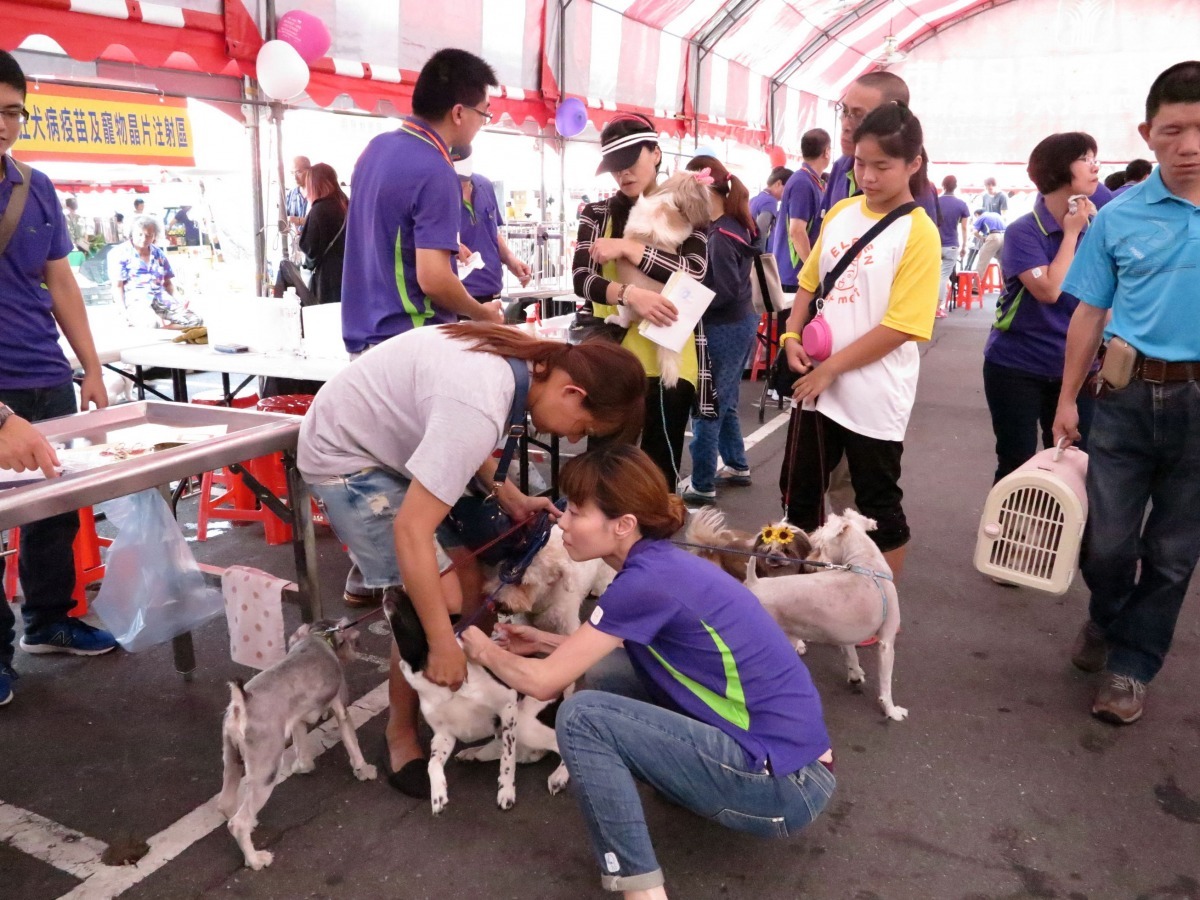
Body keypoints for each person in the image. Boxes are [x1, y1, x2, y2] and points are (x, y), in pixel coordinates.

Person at [459, 444, 835, 899]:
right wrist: (542, 641)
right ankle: (689, 783)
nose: (561, 519)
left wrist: (476, 645)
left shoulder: (641, 584)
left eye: (576, 511)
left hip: (782, 787)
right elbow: (624, 652)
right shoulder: (660, 564)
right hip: (794, 763)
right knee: (607, 673)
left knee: (583, 716)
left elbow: (543, 682)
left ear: (623, 525)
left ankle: (642, 890)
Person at [297, 322, 646, 795]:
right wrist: (441, 643)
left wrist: (511, 495)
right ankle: (399, 732)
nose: (574, 437)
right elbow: (411, 529)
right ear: (571, 392)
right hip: (347, 457)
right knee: (430, 596)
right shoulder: (482, 398)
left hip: (392, 450)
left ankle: (463, 691)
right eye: (583, 428)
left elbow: (456, 441)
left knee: (463, 579)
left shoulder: (524, 366)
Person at [1052, 61, 1200, 726]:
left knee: (1172, 553)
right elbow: (1087, 313)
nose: (1189, 145)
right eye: (1173, 130)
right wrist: (1065, 401)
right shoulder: (1120, 217)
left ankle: (1129, 666)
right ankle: (1108, 616)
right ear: (1148, 133)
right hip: (1125, 396)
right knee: (1108, 544)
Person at [777, 103, 941, 579]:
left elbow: (902, 326)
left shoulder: (919, 232)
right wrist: (791, 335)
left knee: (877, 504)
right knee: (797, 490)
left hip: (874, 391)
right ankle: (800, 585)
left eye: (882, 166)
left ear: (913, 164)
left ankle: (878, 606)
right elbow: (810, 281)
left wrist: (832, 369)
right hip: (818, 383)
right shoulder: (844, 211)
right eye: (860, 164)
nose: (867, 176)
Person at [0, 49, 117, 708]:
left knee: (54, 508)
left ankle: (48, 620)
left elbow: (61, 278)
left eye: (14, 111)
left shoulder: (33, 186)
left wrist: (92, 366)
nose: (5, 123)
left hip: (47, 375)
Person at [572, 113, 709, 491]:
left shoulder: (687, 204)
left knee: (658, 474)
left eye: (632, 161)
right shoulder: (597, 214)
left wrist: (631, 249)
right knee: (603, 468)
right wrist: (630, 294)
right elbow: (582, 279)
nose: (623, 174)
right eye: (615, 167)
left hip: (670, 357)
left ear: (656, 154)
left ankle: (654, 549)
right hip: (612, 358)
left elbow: (695, 270)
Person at [340, 49, 503, 356]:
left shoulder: (375, 149)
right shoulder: (436, 168)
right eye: (484, 113)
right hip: (410, 342)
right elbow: (434, 280)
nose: (483, 124)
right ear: (458, 113)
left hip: (365, 341)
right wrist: (481, 314)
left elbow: (384, 239)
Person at [983, 132, 1101, 485]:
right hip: (1016, 365)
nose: (1096, 166)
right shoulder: (1023, 231)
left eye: (1095, 157)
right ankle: (1007, 540)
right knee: (1016, 462)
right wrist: (1070, 234)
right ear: (1058, 170)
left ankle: (1068, 541)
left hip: (1078, 367)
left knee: (1075, 464)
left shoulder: (1098, 225)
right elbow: (1049, 290)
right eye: (1086, 158)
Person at [681, 156, 760, 506]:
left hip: (724, 327)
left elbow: (723, 292)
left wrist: (685, 302)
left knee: (707, 404)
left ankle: (701, 483)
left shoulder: (720, 236)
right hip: (738, 323)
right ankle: (737, 465)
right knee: (723, 400)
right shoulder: (732, 224)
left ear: (702, 187)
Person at [821, 72, 939, 222]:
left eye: (859, 115)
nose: (845, 125)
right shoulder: (840, 166)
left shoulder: (917, 195)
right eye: (844, 111)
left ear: (891, 119)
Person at [451, 144, 532, 304]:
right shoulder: (437, 192)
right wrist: (453, 245)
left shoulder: (485, 185)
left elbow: (492, 232)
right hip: (459, 297)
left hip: (493, 292)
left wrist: (511, 260)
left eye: (463, 177)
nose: (459, 182)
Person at [109, 215, 201, 328]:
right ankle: (155, 330)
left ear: (154, 236)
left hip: (162, 299)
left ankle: (161, 332)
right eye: (140, 234)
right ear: (131, 233)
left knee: (195, 321)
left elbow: (168, 283)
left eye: (148, 235)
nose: (144, 239)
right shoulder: (119, 253)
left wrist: (179, 300)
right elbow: (117, 287)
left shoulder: (158, 253)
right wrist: (123, 313)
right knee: (151, 323)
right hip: (136, 301)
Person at [771, 129, 830, 292]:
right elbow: (797, 231)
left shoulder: (813, 181)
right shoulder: (802, 182)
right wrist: (814, 273)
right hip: (794, 277)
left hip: (798, 275)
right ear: (826, 152)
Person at [297, 162, 347, 306]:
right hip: (352, 275)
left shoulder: (319, 210)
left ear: (314, 185)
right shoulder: (348, 204)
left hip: (328, 280)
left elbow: (310, 249)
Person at [935, 174, 970, 317]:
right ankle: (937, 308)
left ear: (943, 186)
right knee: (943, 276)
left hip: (935, 244)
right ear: (956, 187)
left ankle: (926, 306)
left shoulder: (936, 202)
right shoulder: (961, 204)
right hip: (952, 246)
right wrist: (964, 246)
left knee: (932, 276)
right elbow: (964, 228)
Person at [749, 165, 791, 251]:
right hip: (758, 255)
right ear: (778, 184)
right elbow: (761, 229)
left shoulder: (755, 199)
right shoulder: (771, 201)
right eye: (788, 189)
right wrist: (760, 256)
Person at [972, 207, 1006, 278]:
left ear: (977, 214)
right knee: (1003, 262)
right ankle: (1006, 285)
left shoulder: (981, 217)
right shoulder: (996, 215)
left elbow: (975, 232)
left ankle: (975, 286)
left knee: (982, 261)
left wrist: (982, 238)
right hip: (1004, 236)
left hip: (993, 236)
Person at [285, 155, 310, 229]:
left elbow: (323, 221)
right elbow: (285, 221)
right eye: (292, 173)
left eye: (298, 172)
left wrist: (299, 221)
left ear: (309, 171)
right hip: (296, 239)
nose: (294, 177)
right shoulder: (291, 194)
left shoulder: (319, 194)